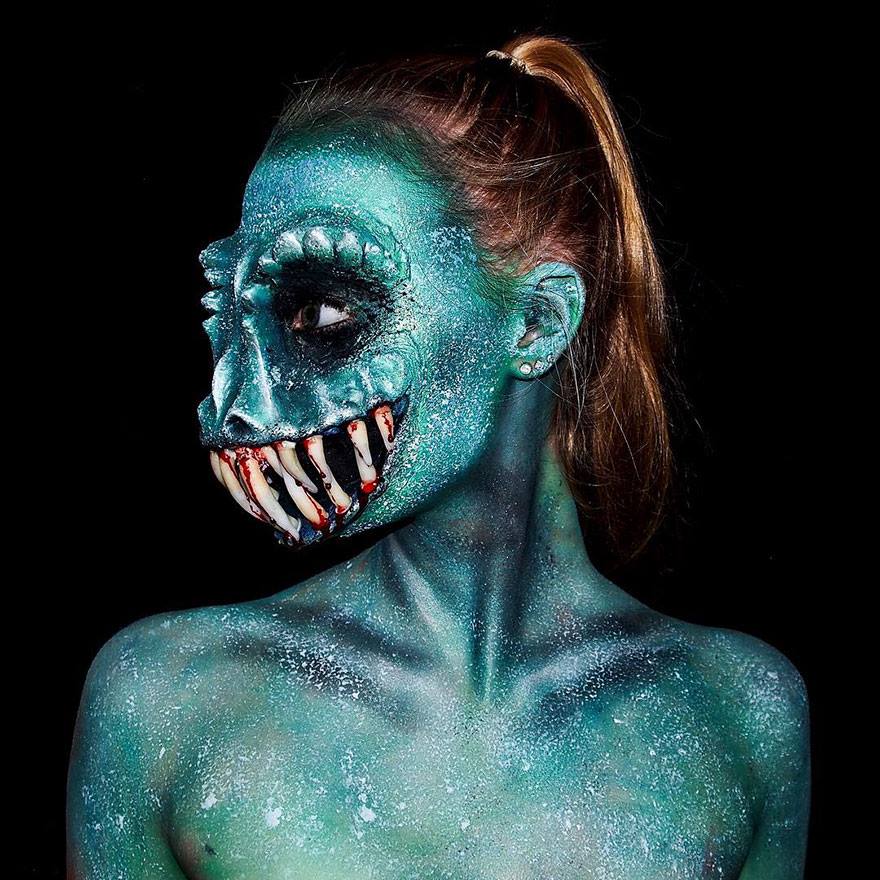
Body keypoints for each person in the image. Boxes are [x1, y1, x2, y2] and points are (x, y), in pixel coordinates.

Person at [67, 35, 810, 879]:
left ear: (535, 323)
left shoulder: (744, 718)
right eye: (231, 322)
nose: (230, 400)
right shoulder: (165, 702)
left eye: (322, 314)